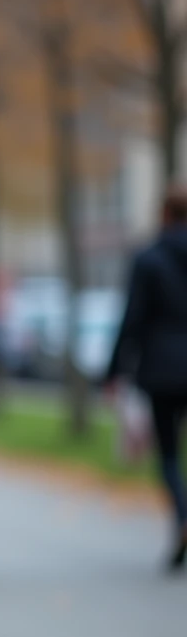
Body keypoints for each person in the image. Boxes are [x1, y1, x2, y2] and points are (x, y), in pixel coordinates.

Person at [104, 186, 187, 571]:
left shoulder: (149, 259)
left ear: (164, 215)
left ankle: (182, 515)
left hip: (162, 368)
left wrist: (115, 370)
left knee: (168, 452)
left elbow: (132, 318)